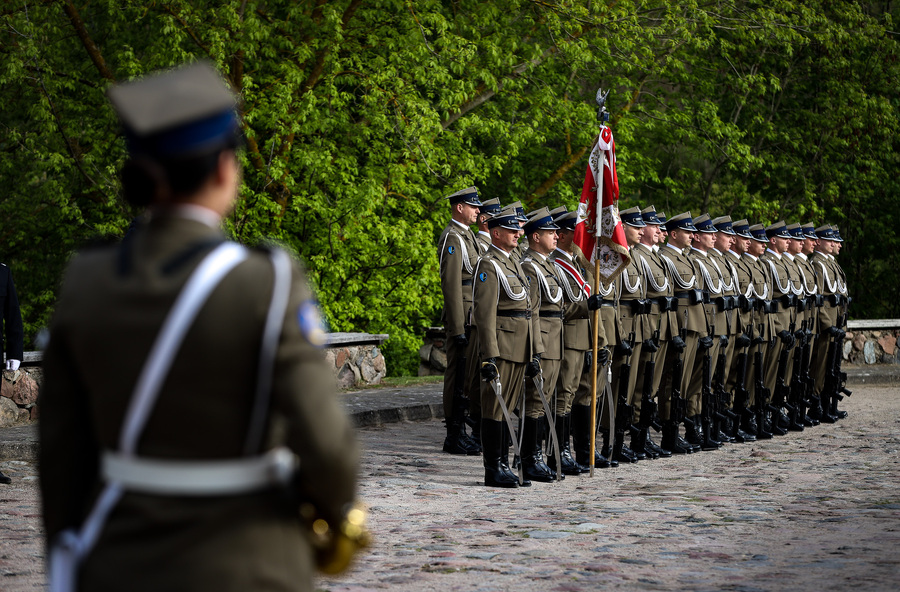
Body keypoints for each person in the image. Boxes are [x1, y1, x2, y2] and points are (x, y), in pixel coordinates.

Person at [39, 61, 361, 592]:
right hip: (248, 561)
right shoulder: (267, 281)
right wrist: (334, 512)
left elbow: (61, 454)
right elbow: (327, 445)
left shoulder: (87, 279)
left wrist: (70, 555)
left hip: (120, 561)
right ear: (223, 168)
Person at [473, 206, 540, 488]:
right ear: (495, 232)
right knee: (494, 408)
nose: (518, 234)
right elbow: (484, 314)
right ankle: (494, 468)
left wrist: (533, 349)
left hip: (519, 345)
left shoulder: (513, 262)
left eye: (518, 230)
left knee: (508, 405)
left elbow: (528, 308)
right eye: (511, 230)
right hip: (501, 346)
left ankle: (503, 463)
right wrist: (489, 356)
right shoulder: (489, 265)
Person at [437, 186, 483, 455]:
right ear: (459, 208)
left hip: (471, 315)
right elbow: (452, 285)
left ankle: (461, 431)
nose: (478, 210)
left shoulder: (468, 237)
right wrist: (456, 327)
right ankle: (453, 434)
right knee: (457, 376)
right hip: (461, 317)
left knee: (467, 377)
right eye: (472, 205)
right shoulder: (453, 238)